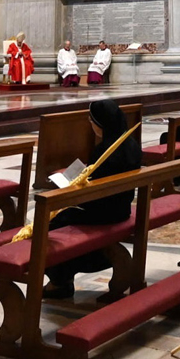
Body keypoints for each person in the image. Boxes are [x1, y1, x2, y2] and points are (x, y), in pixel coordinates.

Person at [43, 100, 143, 299]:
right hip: (121, 208)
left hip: (103, 212)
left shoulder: (105, 151)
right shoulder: (128, 143)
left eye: (92, 120)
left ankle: (60, 281)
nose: (90, 123)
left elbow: (92, 194)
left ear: (101, 123)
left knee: (51, 225)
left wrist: (70, 189)